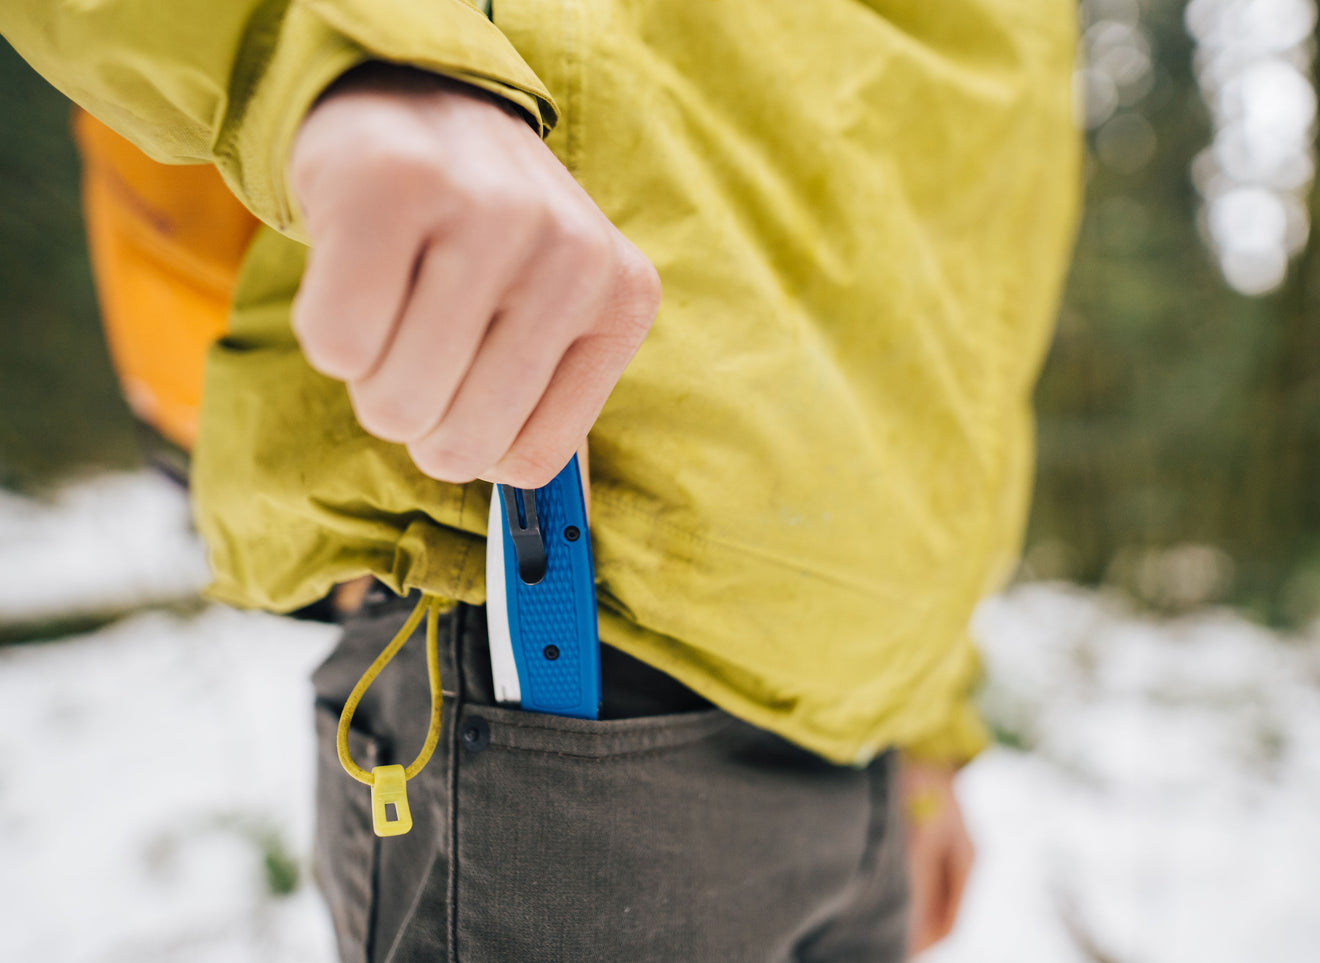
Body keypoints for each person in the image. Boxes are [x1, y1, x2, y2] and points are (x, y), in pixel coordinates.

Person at [2, 1, 1080, 959]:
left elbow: (965, 337)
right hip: (564, 664)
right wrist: (350, 54)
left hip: (868, 737)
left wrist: (931, 717)